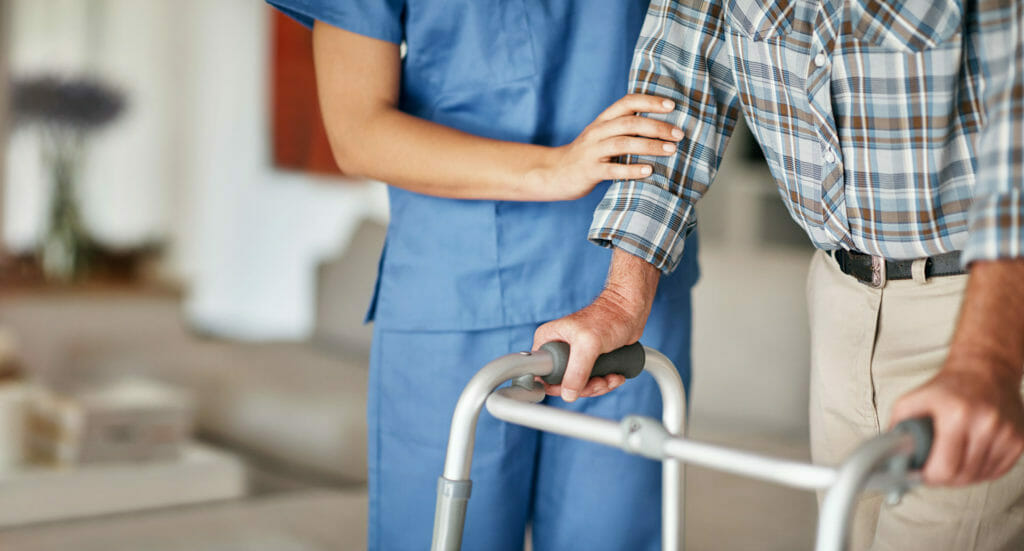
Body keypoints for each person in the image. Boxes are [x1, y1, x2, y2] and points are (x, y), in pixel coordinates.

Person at [536, 0, 1024, 549]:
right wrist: (621, 300)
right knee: (846, 533)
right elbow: (678, 85)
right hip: (839, 295)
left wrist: (991, 357)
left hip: (985, 300)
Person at [265, 2, 700, 550]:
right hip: (458, 294)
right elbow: (357, 131)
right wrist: (553, 169)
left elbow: (702, 61)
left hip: (633, 291)